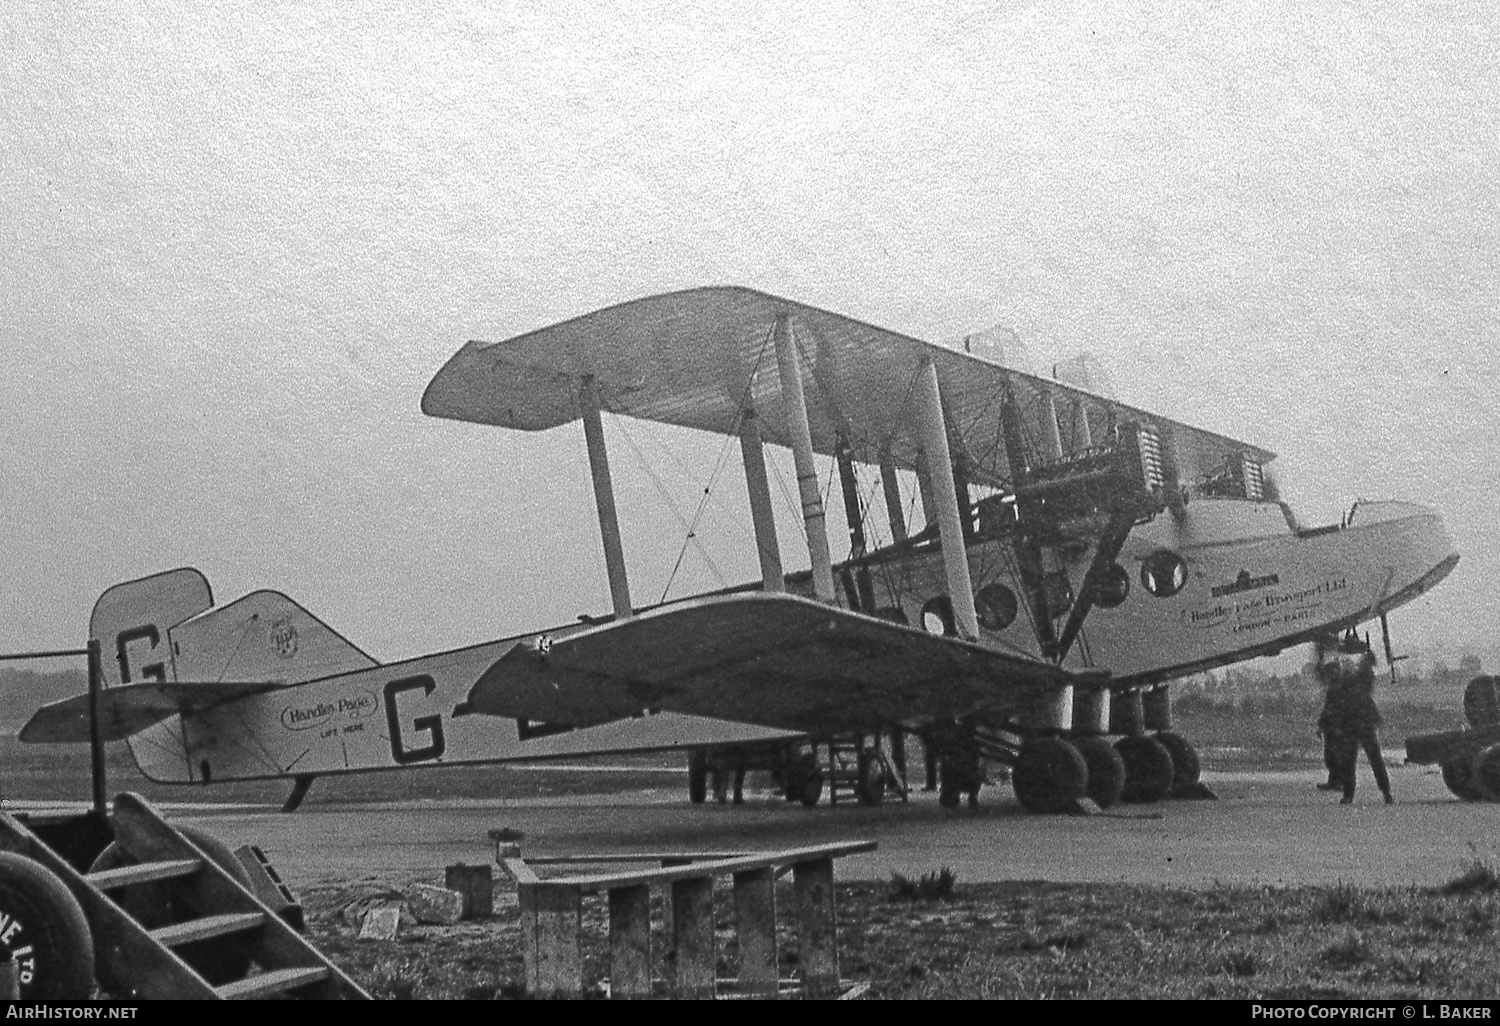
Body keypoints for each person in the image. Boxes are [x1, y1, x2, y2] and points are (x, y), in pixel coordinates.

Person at [1326, 632, 1394, 805]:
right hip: (1362, 721)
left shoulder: (1354, 677)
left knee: (1354, 759)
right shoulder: (1362, 675)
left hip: (1353, 722)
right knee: (1370, 758)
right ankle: (1384, 792)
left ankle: (1353, 794)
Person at [1314, 634, 1348, 792]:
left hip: (1335, 728)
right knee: (1332, 755)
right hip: (1335, 727)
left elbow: (1329, 709)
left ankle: (1338, 781)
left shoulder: (1336, 689)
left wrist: (1322, 725)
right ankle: (1335, 781)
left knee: (1334, 755)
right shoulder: (1338, 687)